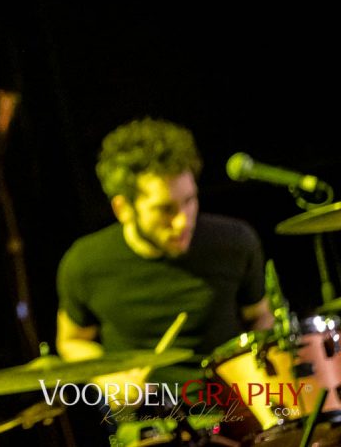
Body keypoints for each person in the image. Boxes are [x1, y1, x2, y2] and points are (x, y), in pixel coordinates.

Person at [56, 118, 273, 411]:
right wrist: (106, 376)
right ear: (123, 208)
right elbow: (71, 341)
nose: (183, 220)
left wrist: (259, 372)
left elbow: (260, 317)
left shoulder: (234, 242)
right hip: (147, 418)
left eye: (190, 200)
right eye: (165, 209)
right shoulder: (84, 263)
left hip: (232, 407)